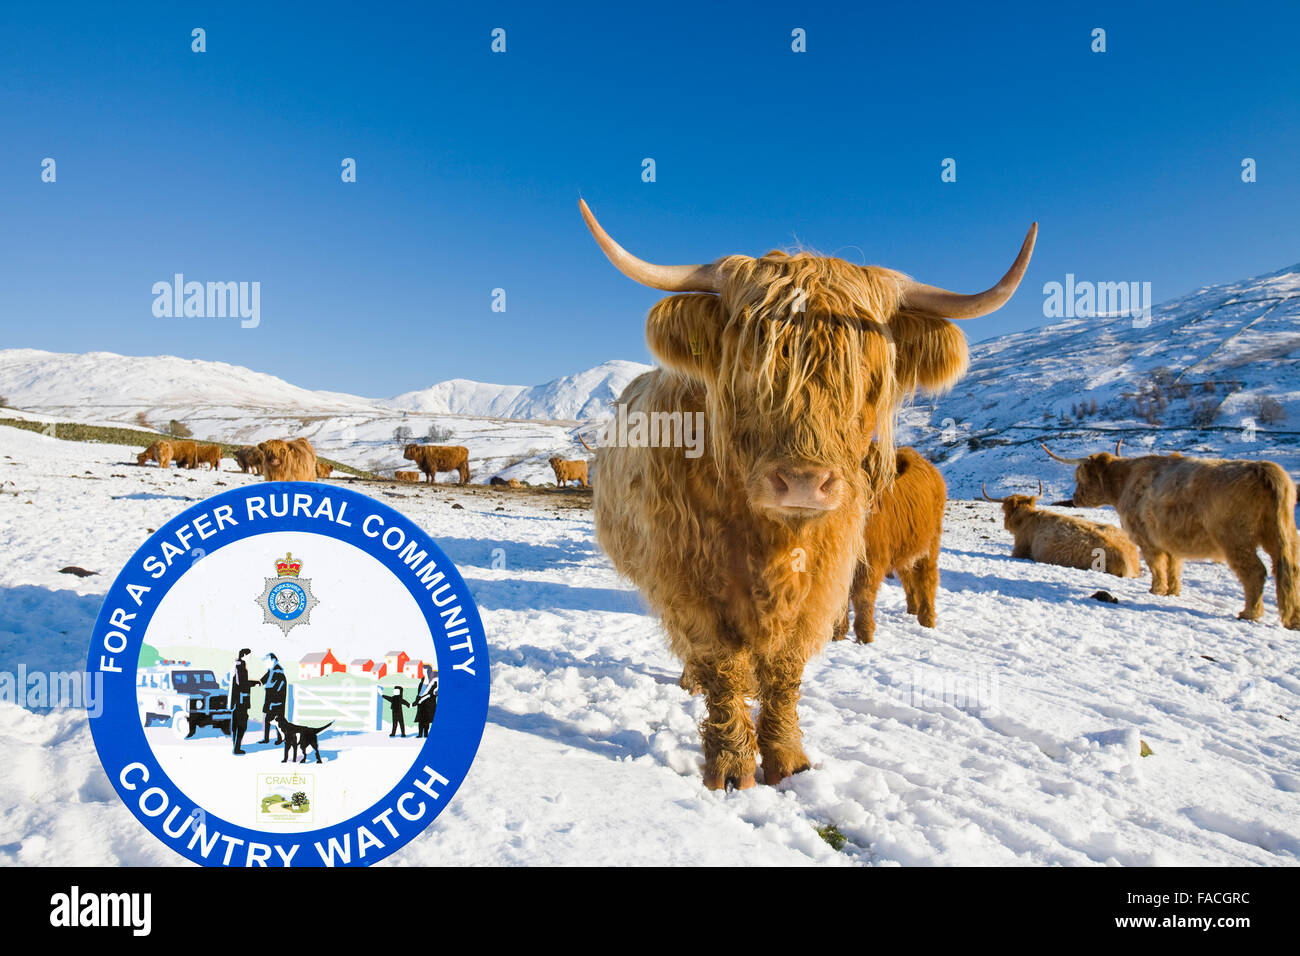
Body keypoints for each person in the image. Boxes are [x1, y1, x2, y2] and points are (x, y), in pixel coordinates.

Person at [230, 648, 257, 755]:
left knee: (236, 725)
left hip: (236, 702)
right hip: (241, 701)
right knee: (241, 725)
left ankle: (235, 746)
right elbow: (241, 684)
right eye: (249, 655)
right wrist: (254, 683)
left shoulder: (236, 665)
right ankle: (237, 749)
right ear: (244, 655)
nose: (250, 657)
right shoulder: (240, 667)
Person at [259, 652, 287, 745]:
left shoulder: (278, 673)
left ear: (273, 660)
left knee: (277, 721)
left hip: (276, 702)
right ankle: (266, 739)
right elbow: (261, 681)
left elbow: (277, 688)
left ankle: (280, 739)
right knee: (268, 720)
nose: (265, 663)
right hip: (270, 702)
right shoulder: (270, 671)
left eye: (267, 661)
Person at [414, 666, 438, 738]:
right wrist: (418, 699)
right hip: (421, 703)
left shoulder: (434, 681)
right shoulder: (422, 681)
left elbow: (435, 692)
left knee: (426, 720)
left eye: (425, 671)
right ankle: (420, 734)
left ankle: (426, 734)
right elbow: (419, 692)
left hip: (429, 704)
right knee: (421, 720)